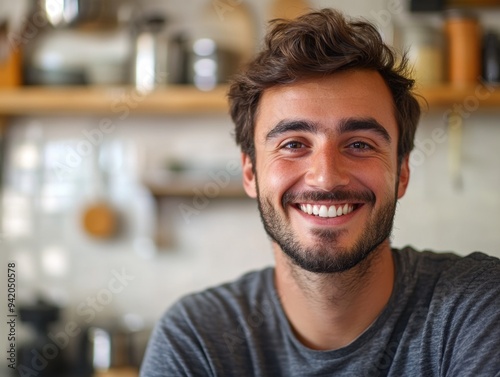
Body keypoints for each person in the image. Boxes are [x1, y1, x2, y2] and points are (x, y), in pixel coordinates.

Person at [140, 9, 500, 376]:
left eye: (359, 144)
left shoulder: (477, 310)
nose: (326, 178)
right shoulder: (198, 340)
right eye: (294, 144)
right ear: (250, 172)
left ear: (402, 172)